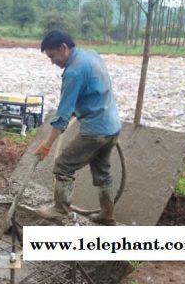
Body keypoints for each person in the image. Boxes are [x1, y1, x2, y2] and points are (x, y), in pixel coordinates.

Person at [34, 30, 121, 226]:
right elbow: (94, 90)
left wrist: (47, 144)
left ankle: (59, 210)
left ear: (63, 48)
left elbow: (62, 114)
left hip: (95, 130)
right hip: (112, 126)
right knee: (103, 171)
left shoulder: (73, 71)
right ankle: (107, 215)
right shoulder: (91, 55)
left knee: (64, 164)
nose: (52, 61)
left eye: (52, 56)